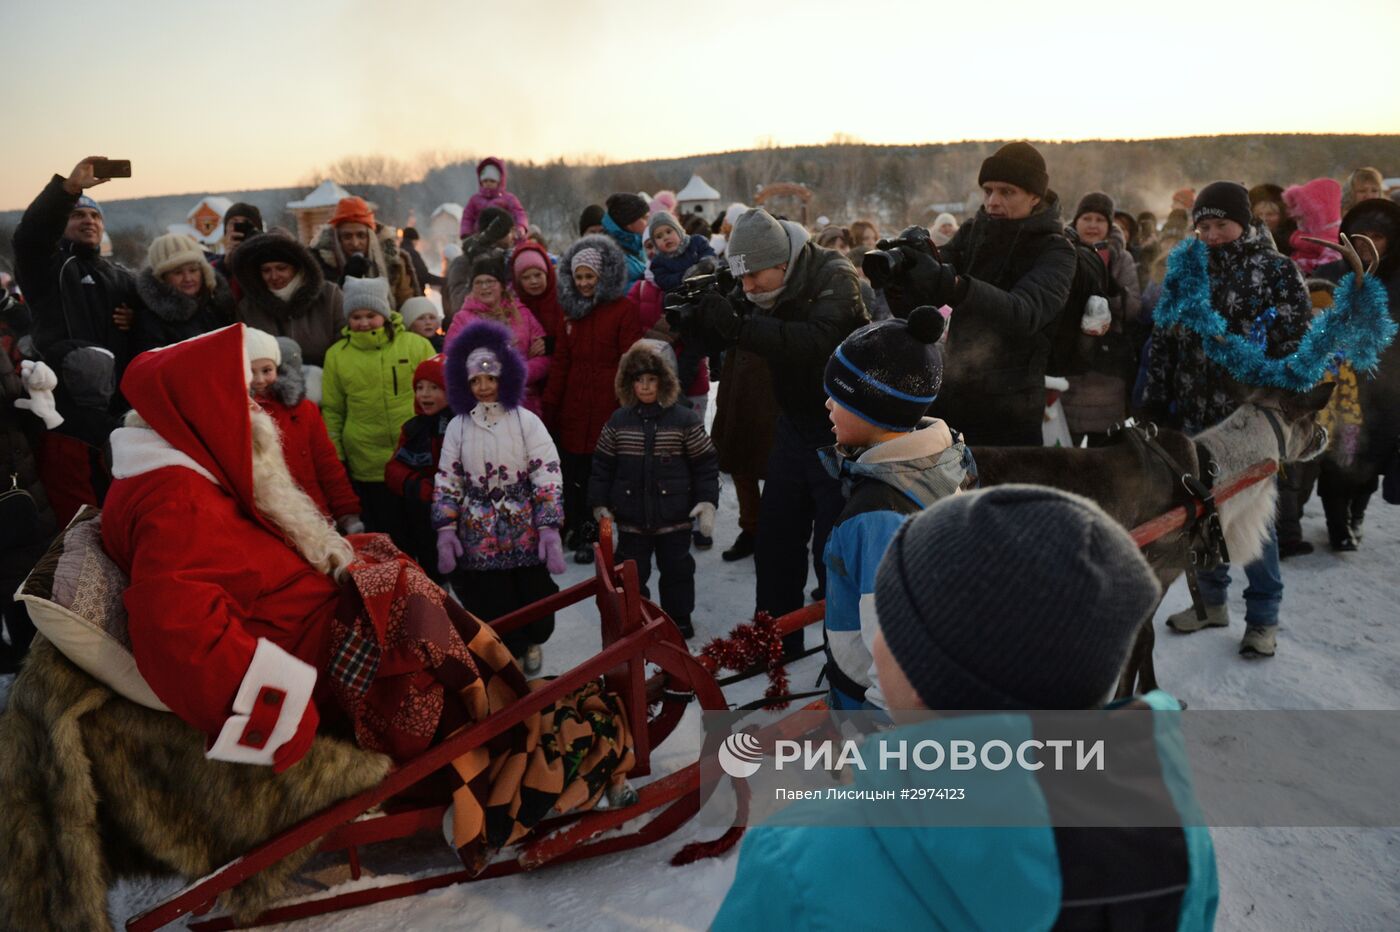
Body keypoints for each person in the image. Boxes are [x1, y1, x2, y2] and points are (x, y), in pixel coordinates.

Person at [98, 325, 632, 865]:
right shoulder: (174, 500)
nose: (252, 409)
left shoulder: (177, 471)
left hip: (306, 626)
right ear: (198, 408)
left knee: (392, 568)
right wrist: (285, 725)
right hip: (309, 661)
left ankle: (492, 710)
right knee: (407, 609)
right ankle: (475, 760)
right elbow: (179, 637)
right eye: (238, 397)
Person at [712, 485, 1217, 931]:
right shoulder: (1174, 846)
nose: (877, 640)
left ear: (926, 675)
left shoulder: (798, 861)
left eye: (889, 623)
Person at [1141, 182, 1312, 657]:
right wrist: (1154, 400)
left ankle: (1262, 618)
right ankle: (1211, 602)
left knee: (1254, 521)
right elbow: (1164, 341)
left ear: (1246, 223)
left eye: (1222, 224)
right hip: (1194, 417)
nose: (1212, 234)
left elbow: (1295, 346)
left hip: (1249, 423)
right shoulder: (1185, 270)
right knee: (1200, 515)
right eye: (1205, 225)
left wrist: (1274, 398)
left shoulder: (1276, 272)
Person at [689, 207, 868, 653]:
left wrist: (740, 326)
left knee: (834, 553)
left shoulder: (834, 274)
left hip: (842, 431)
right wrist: (707, 320)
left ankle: (845, 656)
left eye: (754, 279)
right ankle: (775, 645)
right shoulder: (755, 277)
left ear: (783, 265)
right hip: (792, 424)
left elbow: (817, 341)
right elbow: (739, 312)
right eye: (742, 280)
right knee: (775, 543)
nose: (747, 289)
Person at [870, 142, 1077, 446]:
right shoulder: (974, 231)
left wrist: (953, 285)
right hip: (955, 390)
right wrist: (906, 272)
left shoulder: (1056, 249)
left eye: (1007, 192)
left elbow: (1025, 312)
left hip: (1011, 408)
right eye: (988, 191)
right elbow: (931, 288)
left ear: (1035, 197)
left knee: (999, 493)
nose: (993, 201)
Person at [819, 307, 972, 709]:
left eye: (838, 397)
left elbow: (899, 672)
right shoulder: (937, 464)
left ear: (873, 408)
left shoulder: (880, 517)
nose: (827, 406)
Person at [435, 320, 565, 674]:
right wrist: (446, 527)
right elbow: (448, 477)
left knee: (534, 593)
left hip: (524, 527)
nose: (483, 387)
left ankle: (535, 637)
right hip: (479, 534)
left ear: (504, 378)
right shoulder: (459, 427)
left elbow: (546, 471)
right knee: (496, 601)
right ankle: (515, 647)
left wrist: (549, 524)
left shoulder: (526, 421)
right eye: (475, 380)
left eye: (490, 378)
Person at [588, 341, 719, 639]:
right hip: (631, 517)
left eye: (651, 379)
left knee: (678, 571)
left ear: (664, 380)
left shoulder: (684, 420)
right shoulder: (619, 422)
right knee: (632, 575)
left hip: (675, 516)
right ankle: (638, 617)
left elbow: (705, 464)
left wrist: (707, 502)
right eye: (638, 380)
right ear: (628, 383)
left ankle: (679, 618)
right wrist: (600, 503)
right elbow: (602, 466)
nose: (645, 387)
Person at [542, 235, 644, 563]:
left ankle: (613, 537)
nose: (585, 283)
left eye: (590, 276)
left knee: (609, 479)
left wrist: (630, 404)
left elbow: (632, 359)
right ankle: (587, 537)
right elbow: (561, 363)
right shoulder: (569, 313)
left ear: (603, 277)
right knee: (579, 481)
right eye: (579, 277)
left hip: (608, 407)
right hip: (575, 409)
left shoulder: (623, 309)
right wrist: (551, 406)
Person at [320, 276, 437, 544]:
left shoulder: (415, 345)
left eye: (370, 315)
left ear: (384, 313)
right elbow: (334, 409)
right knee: (390, 534)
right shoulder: (337, 355)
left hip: (416, 458)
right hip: (367, 461)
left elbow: (441, 395)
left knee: (424, 530)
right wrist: (337, 454)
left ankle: (433, 580)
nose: (363, 323)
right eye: (356, 316)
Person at [1314, 196, 1400, 550]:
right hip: (1342, 389)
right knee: (1340, 457)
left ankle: (1357, 512)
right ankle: (1338, 525)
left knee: (1372, 459)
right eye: (1359, 235)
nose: (1368, 243)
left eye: (1378, 236)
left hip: (1388, 388)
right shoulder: (1330, 277)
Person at [11, 157, 141, 382]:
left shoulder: (123, 277)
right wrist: (68, 190)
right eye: (78, 215)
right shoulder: (48, 266)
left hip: (117, 392)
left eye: (95, 216)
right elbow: (31, 237)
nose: (89, 221)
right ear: (62, 223)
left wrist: (138, 319)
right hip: (62, 392)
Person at [245, 327, 362, 536]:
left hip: (315, 514)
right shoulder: (239, 416)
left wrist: (347, 511)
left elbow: (326, 462)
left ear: (278, 368)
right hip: (270, 521)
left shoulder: (304, 410)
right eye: (251, 372)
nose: (260, 380)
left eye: (266, 370)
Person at [1061, 192, 1142, 441]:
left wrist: (1110, 292)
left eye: (1100, 219)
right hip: (1067, 354)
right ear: (1076, 222)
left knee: (1105, 439)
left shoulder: (1122, 257)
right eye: (1087, 218)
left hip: (1107, 360)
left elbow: (1133, 308)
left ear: (1109, 226)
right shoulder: (1061, 253)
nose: (1093, 225)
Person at [444, 250, 549, 415]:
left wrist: (517, 373)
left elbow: (543, 355)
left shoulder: (522, 313)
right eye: (478, 282)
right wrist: (487, 379)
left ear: (502, 285)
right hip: (482, 406)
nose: (485, 287)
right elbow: (452, 361)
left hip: (524, 403)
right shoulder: (462, 319)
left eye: (490, 281)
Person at [230, 231, 346, 365]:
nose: (274, 276)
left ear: (297, 268)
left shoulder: (330, 296)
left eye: (281, 268)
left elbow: (345, 342)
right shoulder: (248, 308)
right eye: (266, 270)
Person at [386, 353, 451, 582]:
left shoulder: (462, 427)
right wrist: (418, 486)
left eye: (434, 387)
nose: (424, 394)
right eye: (419, 387)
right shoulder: (414, 428)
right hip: (423, 519)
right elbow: (393, 469)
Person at [133, 233, 236, 352]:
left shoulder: (219, 306)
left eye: (193, 270)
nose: (188, 278)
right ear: (162, 278)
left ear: (204, 272)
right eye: (178, 272)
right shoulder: (150, 322)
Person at [311, 196, 416, 309]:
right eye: (347, 237)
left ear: (371, 236)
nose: (355, 243)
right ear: (337, 239)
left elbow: (406, 304)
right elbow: (322, 310)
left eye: (361, 236)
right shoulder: (319, 265)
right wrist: (344, 280)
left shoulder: (394, 261)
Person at [445, 207, 516, 321]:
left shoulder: (507, 258)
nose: (514, 236)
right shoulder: (463, 263)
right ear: (496, 232)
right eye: (510, 231)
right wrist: (482, 266)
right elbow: (458, 304)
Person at [510, 239, 565, 353]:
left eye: (538, 275)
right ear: (518, 281)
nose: (533, 281)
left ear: (547, 273)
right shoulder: (513, 307)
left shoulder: (564, 300)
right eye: (526, 277)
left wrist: (552, 344)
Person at [1282, 178, 1343, 275]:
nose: (1299, 222)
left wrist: (1297, 266)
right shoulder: (1305, 237)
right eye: (1298, 218)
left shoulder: (1331, 242)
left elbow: (1328, 266)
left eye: (1303, 217)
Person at [458, 157, 529, 239]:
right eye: (485, 181)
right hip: (480, 238)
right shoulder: (475, 200)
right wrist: (466, 233)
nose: (488, 184)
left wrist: (521, 227)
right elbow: (467, 217)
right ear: (481, 182)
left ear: (499, 181)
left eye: (492, 181)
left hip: (504, 238)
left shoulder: (508, 198)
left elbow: (519, 213)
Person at [647, 212, 716, 292]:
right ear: (655, 244)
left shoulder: (696, 242)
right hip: (682, 295)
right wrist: (685, 276)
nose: (665, 237)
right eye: (659, 236)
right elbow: (664, 281)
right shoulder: (658, 262)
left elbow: (708, 253)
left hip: (708, 288)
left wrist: (707, 264)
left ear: (679, 231)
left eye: (669, 232)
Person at [602, 194, 651, 285]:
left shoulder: (640, 244)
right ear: (629, 221)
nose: (648, 222)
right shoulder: (610, 256)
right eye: (644, 218)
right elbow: (619, 292)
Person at [1248, 183, 1295, 257]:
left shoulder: (1294, 243)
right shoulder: (1244, 243)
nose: (1263, 219)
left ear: (1283, 216)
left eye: (1270, 214)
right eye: (1258, 214)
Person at [400, 227, 445, 294]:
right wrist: (444, 281)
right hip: (414, 294)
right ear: (414, 240)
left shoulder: (399, 251)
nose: (417, 244)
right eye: (416, 242)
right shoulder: (412, 253)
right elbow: (424, 276)